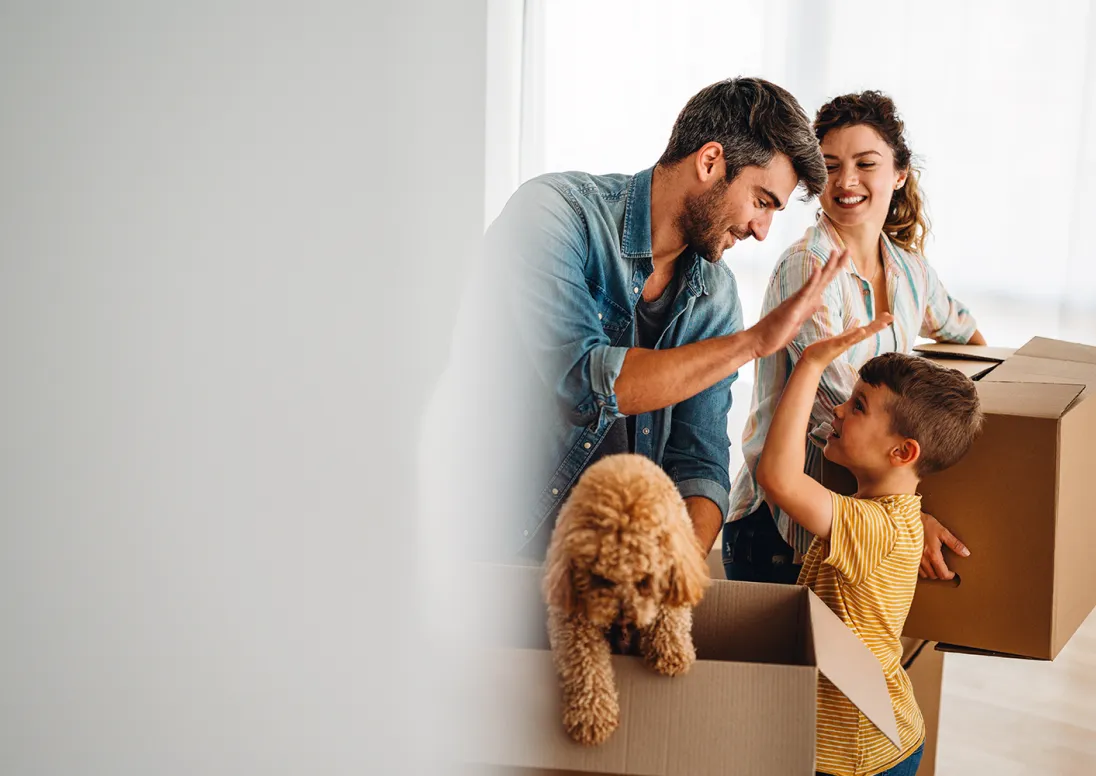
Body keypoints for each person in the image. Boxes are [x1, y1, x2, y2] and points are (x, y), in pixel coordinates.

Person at [471, 77, 844, 561]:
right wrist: (753, 343)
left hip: (614, 574)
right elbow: (584, 383)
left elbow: (700, 463)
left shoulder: (715, 294)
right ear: (710, 162)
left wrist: (676, 575)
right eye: (761, 201)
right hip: (490, 557)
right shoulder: (554, 214)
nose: (761, 230)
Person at [725, 90, 985, 583]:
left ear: (899, 173)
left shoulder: (912, 272)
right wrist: (909, 521)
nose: (846, 181)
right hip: (785, 530)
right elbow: (839, 412)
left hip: (861, 522)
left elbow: (966, 333)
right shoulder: (810, 265)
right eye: (830, 166)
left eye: (866, 163)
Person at [755, 315, 983, 776]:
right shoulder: (886, 516)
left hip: (861, 751)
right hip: (867, 738)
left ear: (903, 453)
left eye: (858, 406)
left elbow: (778, 478)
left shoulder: (875, 529)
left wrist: (810, 364)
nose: (837, 410)